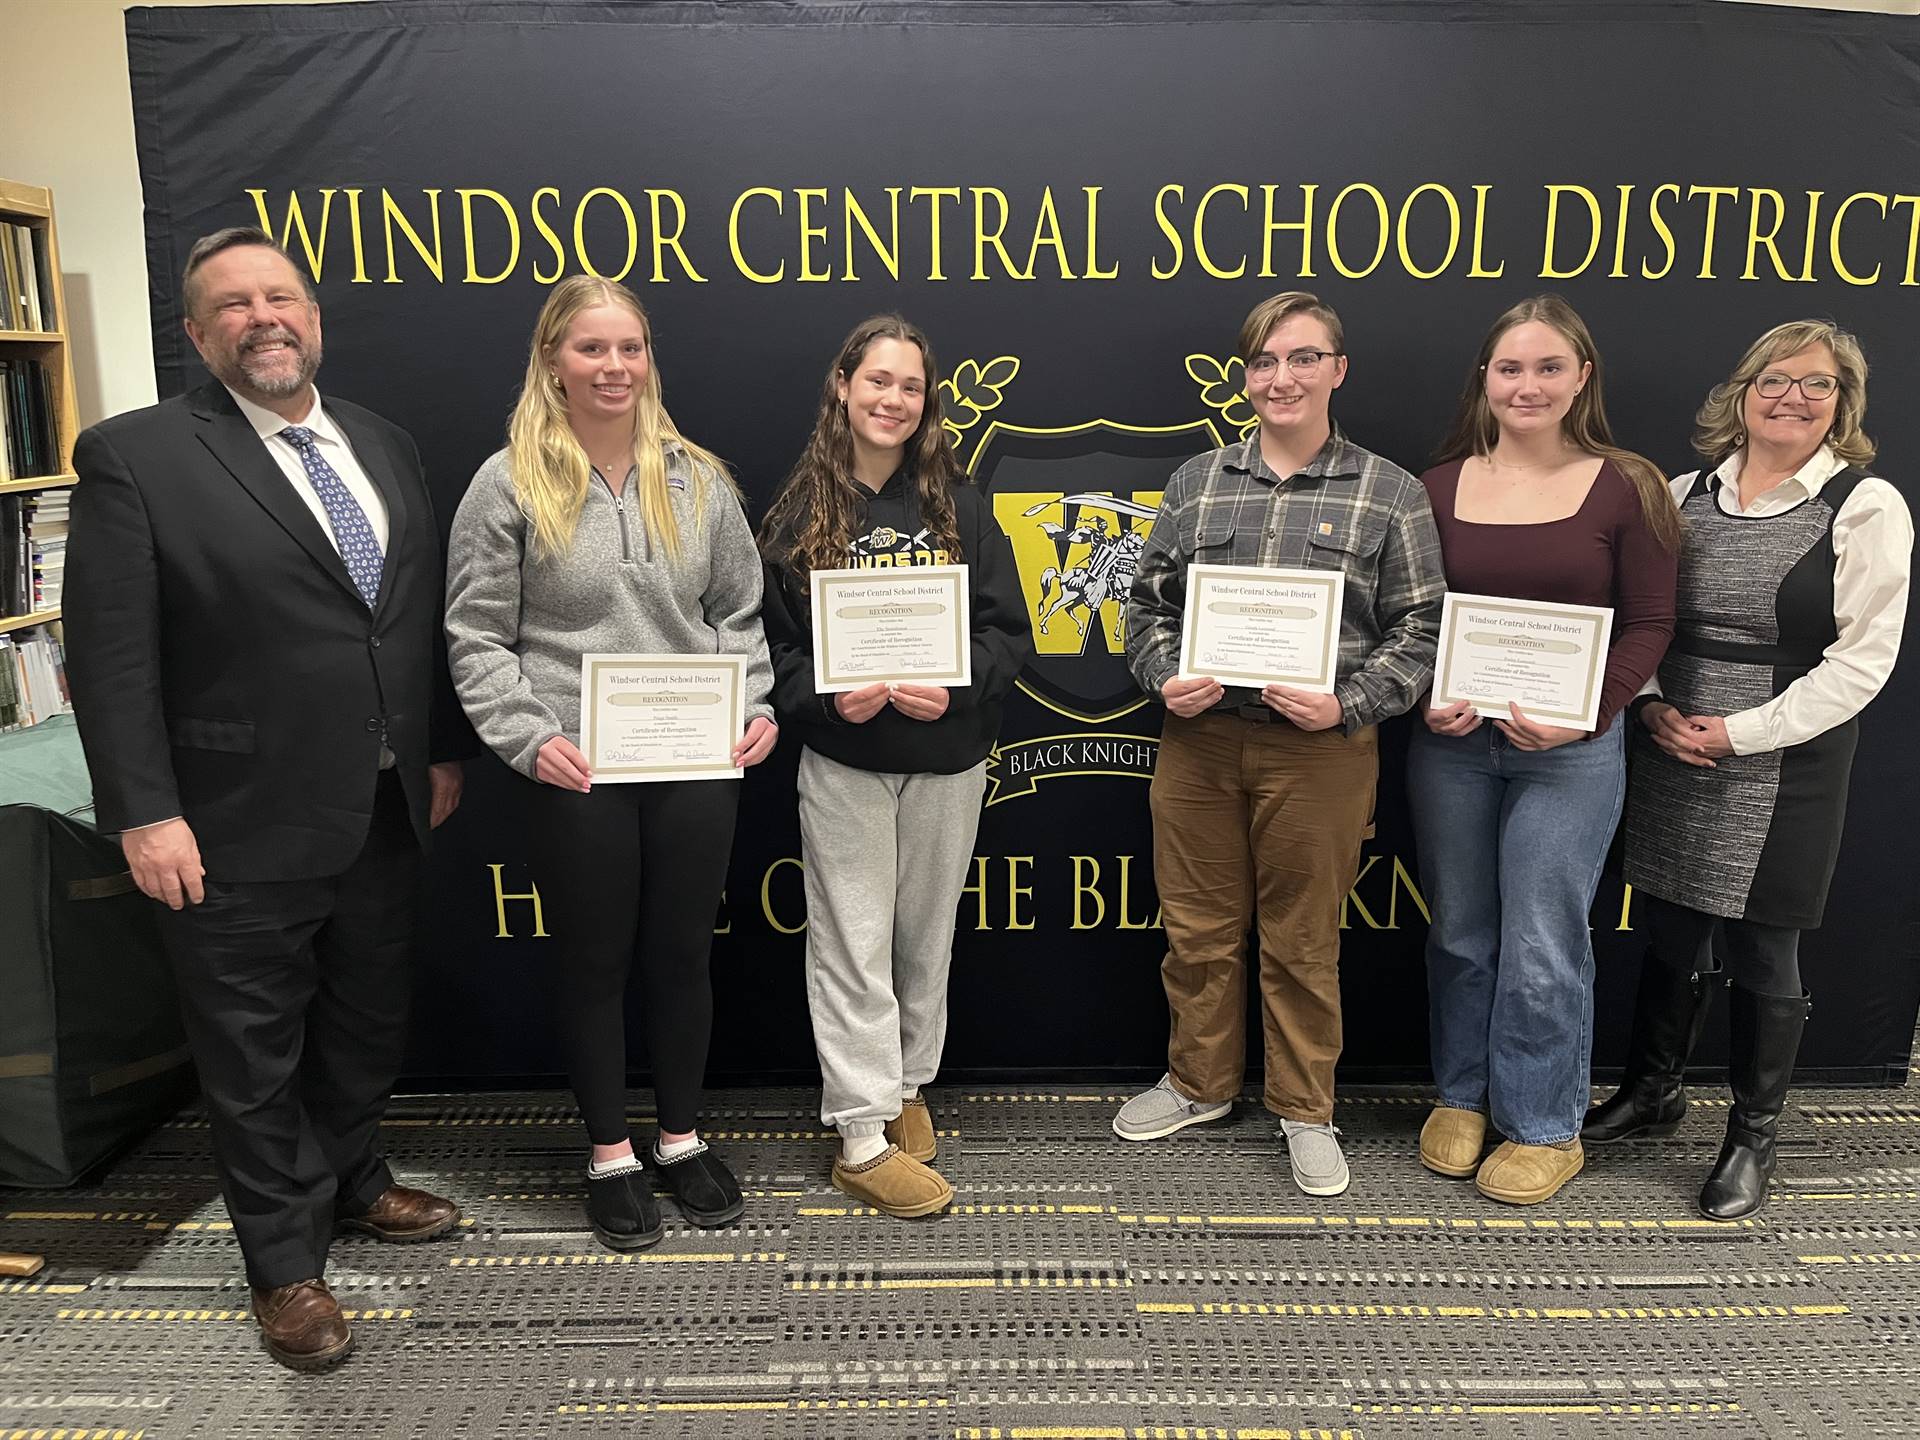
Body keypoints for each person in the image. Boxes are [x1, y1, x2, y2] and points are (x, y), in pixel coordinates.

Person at [64, 227, 469, 1371]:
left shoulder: (383, 445)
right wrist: (144, 811)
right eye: (233, 305)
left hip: (384, 804)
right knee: (251, 1053)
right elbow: (110, 657)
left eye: (280, 296)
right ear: (196, 334)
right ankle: (285, 1265)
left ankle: (350, 1180)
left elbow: (406, 618)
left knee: (362, 1021)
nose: (264, 317)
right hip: (228, 818)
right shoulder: (135, 456)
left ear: (315, 315)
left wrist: (436, 752)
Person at [444, 275, 776, 1253]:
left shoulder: (699, 480)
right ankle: (610, 1152)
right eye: (591, 349)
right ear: (553, 359)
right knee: (595, 962)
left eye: (629, 347)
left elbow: (737, 615)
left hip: (692, 759)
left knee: (681, 957)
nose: (614, 366)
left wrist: (751, 706)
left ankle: (678, 1138)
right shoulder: (505, 483)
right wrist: (522, 735)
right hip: (576, 765)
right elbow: (475, 633)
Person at [1114, 290, 1447, 1197]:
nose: (1281, 377)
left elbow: (1420, 630)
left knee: (1303, 943)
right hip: (1200, 742)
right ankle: (1200, 1083)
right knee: (1196, 932)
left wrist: (1347, 703)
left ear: (1338, 370)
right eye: (1263, 361)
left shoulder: (1390, 492)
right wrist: (1161, 676)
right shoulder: (1197, 481)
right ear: (1246, 377)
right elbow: (1145, 607)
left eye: (1302, 358)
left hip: (1321, 751)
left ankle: (1305, 1107)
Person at [1587, 319, 1911, 1220]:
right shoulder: (1684, 490)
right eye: (1774, 380)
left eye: (1817, 385)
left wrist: (1742, 733)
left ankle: (1752, 1136)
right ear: (1741, 393)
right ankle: (1652, 1094)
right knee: (1667, 928)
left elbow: (1862, 661)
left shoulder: (1865, 505)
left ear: (1842, 405)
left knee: (1765, 945)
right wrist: (1650, 704)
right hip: (1668, 737)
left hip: (1783, 757)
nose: (1792, 398)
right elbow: (1643, 613)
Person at [757, 315, 1030, 1218]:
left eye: (910, 386)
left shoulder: (960, 502)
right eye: (878, 381)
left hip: (948, 759)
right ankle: (861, 1133)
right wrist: (831, 699)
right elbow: (774, 658)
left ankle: (909, 1081)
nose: (893, 400)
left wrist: (951, 692)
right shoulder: (797, 514)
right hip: (847, 763)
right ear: (843, 386)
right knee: (851, 942)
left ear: (927, 401)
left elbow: (1005, 638)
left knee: (923, 937)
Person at [1408, 296, 1678, 1205]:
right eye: (1510, 368)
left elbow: (1649, 624)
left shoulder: (1626, 485)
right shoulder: (1436, 487)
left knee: (1541, 940)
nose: (1529, 386)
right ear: (1484, 379)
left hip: (1570, 753)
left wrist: (1591, 714)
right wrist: (1424, 699)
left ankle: (1545, 1124)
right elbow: (1409, 621)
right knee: (1462, 934)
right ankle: (1463, 1095)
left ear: (1582, 378)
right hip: (1451, 747)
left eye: (1549, 368)